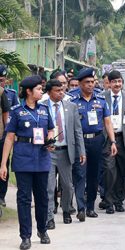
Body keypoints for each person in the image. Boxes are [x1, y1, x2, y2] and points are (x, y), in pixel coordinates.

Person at [0, 75, 55, 249]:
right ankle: (25, 236)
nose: (41, 91)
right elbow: (9, 138)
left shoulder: (45, 109)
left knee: (42, 197)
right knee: (23, 198)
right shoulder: (17, 111)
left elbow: (51, 129)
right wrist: (3, 164)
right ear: (29, 92)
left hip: (42, 157)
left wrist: (50, 140)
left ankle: (42, 229)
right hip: (23, 157)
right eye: (39, 89)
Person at [70, 68, 118, 221]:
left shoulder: (100, 100)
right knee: (79, 174)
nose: (90, 85)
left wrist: (113, 141)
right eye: (87, 82)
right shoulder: (72, 100)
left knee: (94, 175)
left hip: (97, 140)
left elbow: (108, 122)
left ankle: (90, 207)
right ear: (80, 84)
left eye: (92, 82)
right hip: (79, 141)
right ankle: (81, 208)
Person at [43, 79, 86, 229]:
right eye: (57, 90)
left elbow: (77, 130)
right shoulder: (42, 107)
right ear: (49, 92)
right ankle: (49, 217)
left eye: (62, 90)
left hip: (65, 151)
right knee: (49, 186)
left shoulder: (71, 107)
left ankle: (66, 210)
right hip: (48, 152)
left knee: (68, 185)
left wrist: (81, 151)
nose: (61, 93)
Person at [102, 70, 125, 214]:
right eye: (114, 82)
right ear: (109, 83)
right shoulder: (102, 97)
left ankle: (119, 200)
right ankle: (109, 201)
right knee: (109, 170)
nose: (117, 84)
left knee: (122, 171)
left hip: (124, 139)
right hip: (108, 140)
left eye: (119, 81)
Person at [0, 65, 13, 208]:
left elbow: (6, 114)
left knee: (3, 165)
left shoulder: (3, 93)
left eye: (2, 80)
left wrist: (7, 135)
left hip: (1, 137)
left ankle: (1, 196)